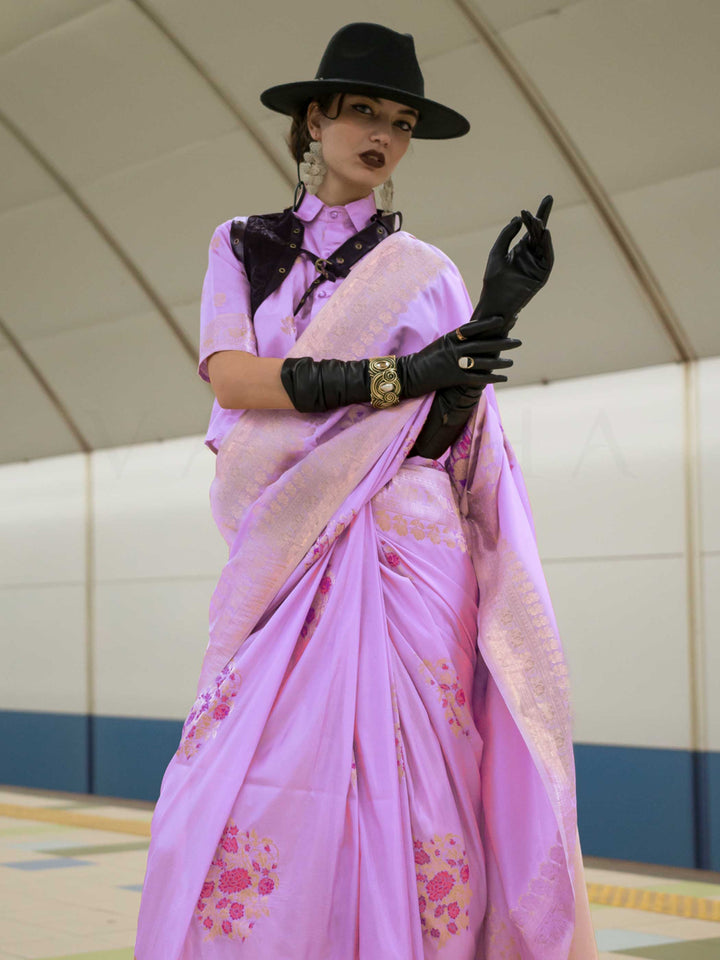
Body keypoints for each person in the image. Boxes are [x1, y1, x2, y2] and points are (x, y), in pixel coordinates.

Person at [134, 22, 598, 960]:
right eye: (363, 113)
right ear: (316, 118)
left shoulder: (425, 273)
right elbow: (233, 379)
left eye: (400, 121)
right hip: (289, 553)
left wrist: (496, 310)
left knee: (424, 781)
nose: (382, 135)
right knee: (245, 776)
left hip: (415, 560)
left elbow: (438, 439)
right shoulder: (246, 246)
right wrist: (391, 377)